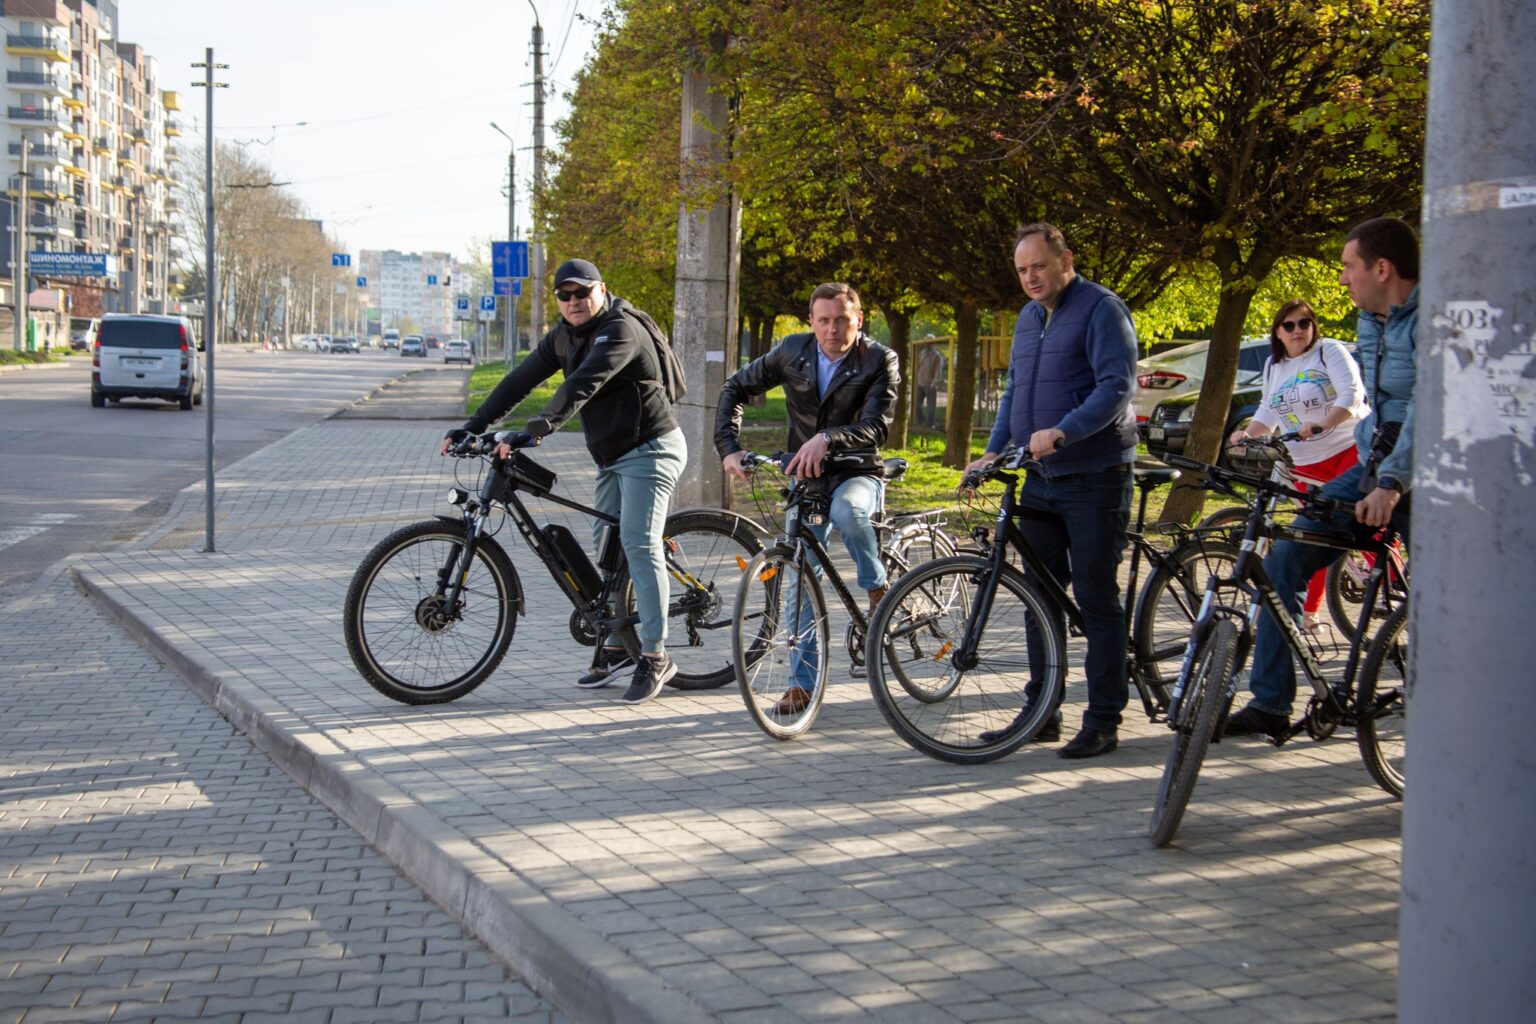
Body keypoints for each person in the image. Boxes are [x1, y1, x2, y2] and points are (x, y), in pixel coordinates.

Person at [442, 258, 687, 706]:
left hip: (652, 450)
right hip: (612, 456)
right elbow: (519, 380)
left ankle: (654, 655)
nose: (573, 301)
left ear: (601, 289)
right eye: (564, 295)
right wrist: (473, 426)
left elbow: (581, 384)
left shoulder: (621, 330)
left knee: (637, 543)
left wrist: (535, 431)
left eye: (582, 292)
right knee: (606, 548)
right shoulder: (562, 335)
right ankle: (617, 645)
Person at [1226, 217, 1419, 739]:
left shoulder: (1428, 322)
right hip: (1370, 470)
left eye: (1348, 268)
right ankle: (1271, 702)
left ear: (1382, 268)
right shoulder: (1371, 322)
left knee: (1445, 594)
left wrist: (1393, 481)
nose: (1341, 280)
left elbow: (1429, 407)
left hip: (1425, 478)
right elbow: (1381, 413)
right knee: (1284, 559)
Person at [965, 223, 1139, 760]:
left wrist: (1065, 429)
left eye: (1039, 266)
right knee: (1038, 599)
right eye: (1021, 270)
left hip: (1094, 477)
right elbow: (1016, 389)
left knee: (1094, 596)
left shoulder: (1101, 309)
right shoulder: (1026, 317)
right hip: (1039, 480)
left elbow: (1117, 386)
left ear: (1066, 260)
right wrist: (994, 450)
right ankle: (1043, 711)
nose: (1030, 278)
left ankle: (1105, 718)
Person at [715, 282, 900, 712]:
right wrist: (730, 447)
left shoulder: (878, 358)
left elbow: (878, 426)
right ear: (811, 322)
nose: (833, 329)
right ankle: (803, 683)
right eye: (824, 320)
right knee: (798, 575)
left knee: (849, 511)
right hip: (807, 477)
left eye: (841, 320)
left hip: (857, 471)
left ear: (858, 319)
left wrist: (828, 438)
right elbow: (734, 389)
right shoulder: (791, 351)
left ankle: (877, 589)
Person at [1228, 299, 1369, 630]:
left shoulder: (1328, 352)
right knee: (1311, 536)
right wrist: (1247, 434)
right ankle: (1307, 615)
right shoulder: (1274, 366)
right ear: (1277, 331)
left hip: (1347, 449)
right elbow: (1269, 409)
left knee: (1361, 526)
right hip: (1306, 461)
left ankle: (1390, 579)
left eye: (1304, 323)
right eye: (1289, 325)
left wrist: (1323, 423)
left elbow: (1352, 396)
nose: (1297, 331)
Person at [916, 340, 944, 427]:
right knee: (917, 404)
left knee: (931, 406)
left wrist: (934, 382)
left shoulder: (936, 355)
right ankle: (921, 421)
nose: (927, 344)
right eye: (926, 342)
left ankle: (931, 423)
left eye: (929, 342)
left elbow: (938, 371)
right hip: (921, 383)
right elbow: (919, 365)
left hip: (930, 384)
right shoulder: (922, 353)